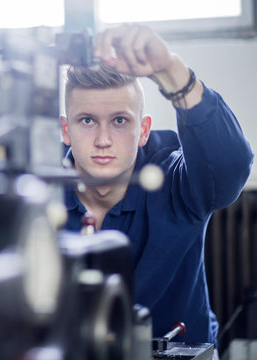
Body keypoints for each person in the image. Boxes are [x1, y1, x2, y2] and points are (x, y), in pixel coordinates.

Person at [60, 24, 253, 355]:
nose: (103, 139)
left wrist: (171, 72)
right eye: (87, 121)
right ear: (66, 130)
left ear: (144, 130)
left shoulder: (177, 182)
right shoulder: (38, 190)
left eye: (120, 121)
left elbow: (231, 166)